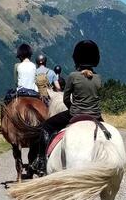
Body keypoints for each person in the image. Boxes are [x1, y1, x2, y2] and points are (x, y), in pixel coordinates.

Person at [31, 40, 103, 174]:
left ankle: (40, 161)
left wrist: (72, 106)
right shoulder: (98, 78)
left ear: (77, 59)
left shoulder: (73, 76)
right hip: (96, 114)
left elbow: (65, 98)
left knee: (46, 127)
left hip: (75, 113)